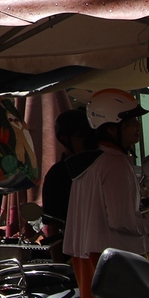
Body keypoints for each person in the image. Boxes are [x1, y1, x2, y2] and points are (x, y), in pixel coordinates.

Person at [63, 90, 149, 298]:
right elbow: (122, 221)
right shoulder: (115, 164)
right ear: (111, 127)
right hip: (119, 267)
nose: (136, 128)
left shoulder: (88, 164)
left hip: (93, 264)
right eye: (130, 123)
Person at [37, 107, 98, 253]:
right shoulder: (57, 175)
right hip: (74, 253)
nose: (87, 141)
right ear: (64, 139)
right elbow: (53, 226)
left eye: (90, 135)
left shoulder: (101, 166)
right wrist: (60, 263)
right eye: (80, 136)